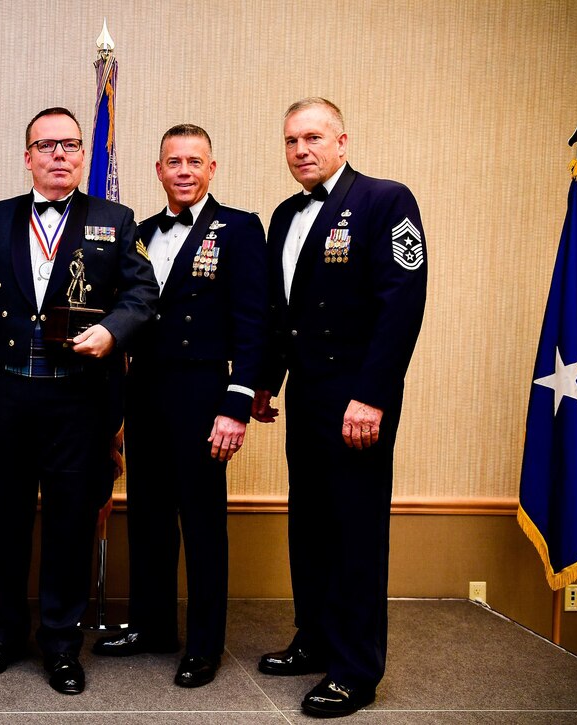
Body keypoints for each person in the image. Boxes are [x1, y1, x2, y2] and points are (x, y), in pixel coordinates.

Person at [0, 107, 158, 695]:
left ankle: (62, 643)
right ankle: (4, 635)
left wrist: (114, 330)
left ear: (83, 156)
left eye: (70, 145)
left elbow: (144, 292)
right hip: (10, 393)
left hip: (80, 399)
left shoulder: (114, 220)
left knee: (69, 521)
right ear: (28, 157)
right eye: (46, 146)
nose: (59, 155)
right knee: (6, 520)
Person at [253, 97, 427, 717]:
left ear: (343, 140)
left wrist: (373, 396)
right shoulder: (283, 215)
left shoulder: (386, 201)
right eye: (292, 140)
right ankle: (315, 638)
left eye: (313, 138)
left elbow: (401, 306)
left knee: (355, 531)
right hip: (306, 394)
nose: (301, 150)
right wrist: (266, 382)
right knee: (311, 523)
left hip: (359, 396)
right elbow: (281, 312)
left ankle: (355, 669)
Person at [92, 124, 267, 688]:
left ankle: (204, 643)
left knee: (202, 520)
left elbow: (252, 320)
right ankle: (151, 625)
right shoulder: (137, 232)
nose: (185, 170)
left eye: (195, 160)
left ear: (212, 168)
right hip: (144, 390)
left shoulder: (238, 229)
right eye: (174, 161)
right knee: (147, 515)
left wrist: (236, 405)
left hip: (203, 393)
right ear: (159, 170)